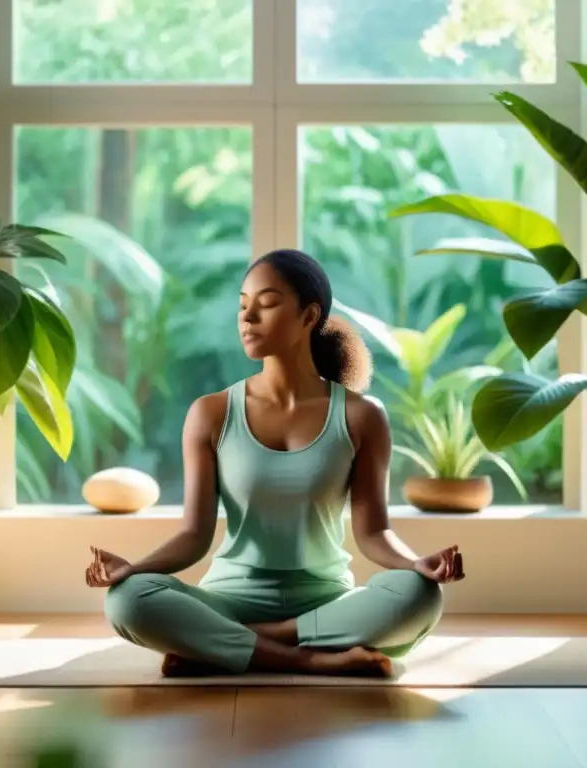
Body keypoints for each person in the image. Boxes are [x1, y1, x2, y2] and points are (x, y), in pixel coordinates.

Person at [85, 248, 464, 678]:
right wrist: (132, 570)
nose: (247, 318)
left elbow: (374, 532)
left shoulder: (361, 417)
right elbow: (194, 535)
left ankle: (237, 643)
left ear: (308, 316)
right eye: (243, 305)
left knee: (420, 596)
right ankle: (313, 658)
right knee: (127, 600)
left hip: (326, 601)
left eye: (266, 304)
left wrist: (417, 565)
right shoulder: (211, 414)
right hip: (229, 598)